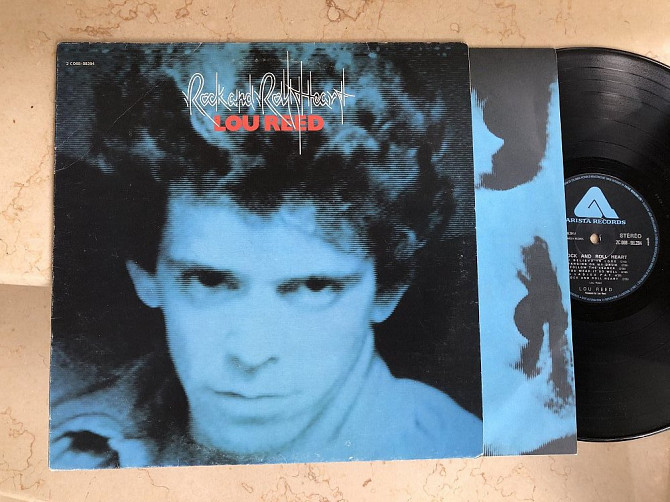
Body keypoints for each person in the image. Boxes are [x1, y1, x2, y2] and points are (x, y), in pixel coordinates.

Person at [49, 44, 482, 468]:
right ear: (146, 276)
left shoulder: (458, 460)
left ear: (386, 292)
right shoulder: (55, 422)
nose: (252, 355)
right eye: (209, 281)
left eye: (315, 287)